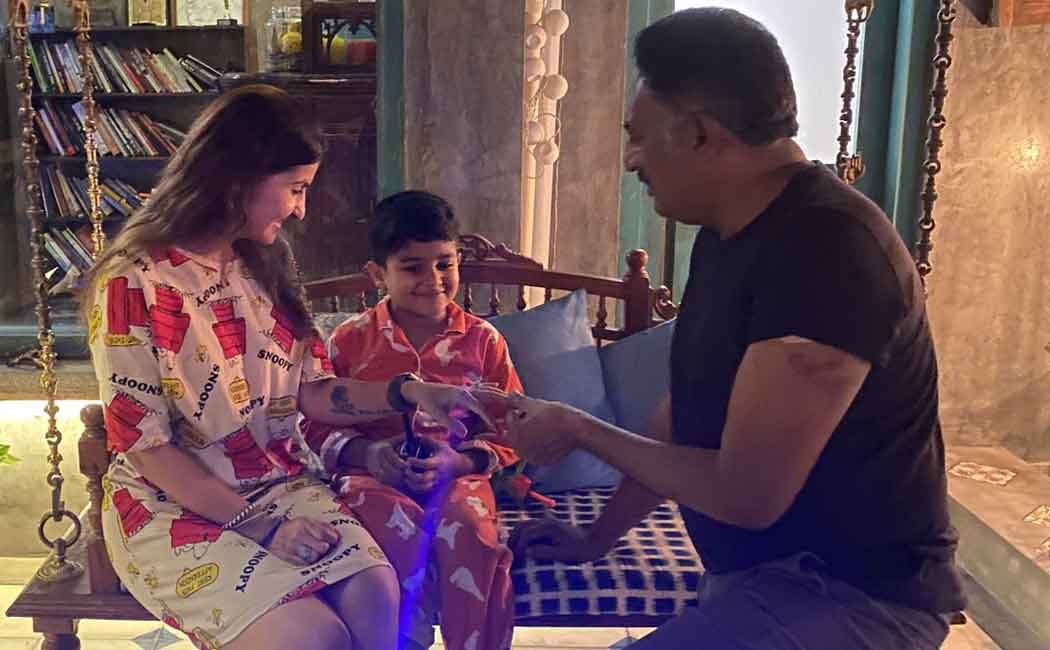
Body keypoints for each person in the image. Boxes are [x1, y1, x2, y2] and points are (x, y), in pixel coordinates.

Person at [499, 8, 966, 650]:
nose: (631, 160)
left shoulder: (828, 250)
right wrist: (595, 538)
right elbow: (684, 415)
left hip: (851, 595)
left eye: (638, 137)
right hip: (764, 580)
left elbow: (747, 495)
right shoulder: (729, 234)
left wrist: (579, 427)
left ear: (699, 133)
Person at [82, 85, 492, 650]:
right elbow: (147, 448)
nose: (301, 209)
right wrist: (265, 528)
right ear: (239, 178)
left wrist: (412, 393)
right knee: (313, 637)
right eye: (296, 189)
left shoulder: (267, 259)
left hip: (280, 482)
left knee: (378, 595)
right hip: (172, 506)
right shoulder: (132, 282)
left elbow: (314, 391)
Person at [302, 190, 523, 650]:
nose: (433, 279)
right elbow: (316, 422)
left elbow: (513, 430)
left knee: (471, 530)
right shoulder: (349, 340)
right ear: (377, 274)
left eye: (444, 264)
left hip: (459, 477)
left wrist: (458, 462)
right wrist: (367, 453)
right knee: (385, 523)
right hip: (371, 475)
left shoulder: (484, 341)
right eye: (412, 267)